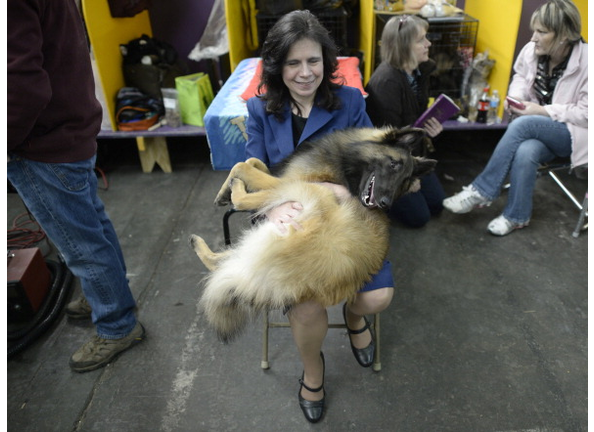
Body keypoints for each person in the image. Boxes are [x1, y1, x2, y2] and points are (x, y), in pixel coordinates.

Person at [244, 10, 394, 423]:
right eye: (293, 62)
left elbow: (375, 164)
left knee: (377, 296)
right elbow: (252, 174)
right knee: (308, 308)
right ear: (277, 67)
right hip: (288, 221)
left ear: (327, 63)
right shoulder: (260, 110)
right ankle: (314, 371)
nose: (305, 72)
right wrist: (273, 205)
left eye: (313, 61)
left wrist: (344, 191)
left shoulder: (348, 102)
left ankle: (354, 314)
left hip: (347, 217)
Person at [7, 0, 145, 372]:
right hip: (69, 126)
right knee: (91, 228)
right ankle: (106, 294)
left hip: (43, 143)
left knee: (80, 245)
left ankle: (117, 325)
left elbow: (22, 87)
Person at [443, 0, 587, 236]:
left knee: (524, 124)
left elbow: (586, 114)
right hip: (536, 131)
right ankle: (517, 216)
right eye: (534, 30)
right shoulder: (533, 51)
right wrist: (517, 99)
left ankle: (482, 190)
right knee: (526, 151)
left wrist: (541, 111)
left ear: (563, 36)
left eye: (541, 32)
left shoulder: (588, 62)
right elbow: (520, 77)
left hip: (573, 134)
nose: (533, 38)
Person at [365, 14, 446, 228]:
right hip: (388, 166)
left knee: (438, 204)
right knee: (419, 218)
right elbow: (384, 144)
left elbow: (413, 121)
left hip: (412, 154)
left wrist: (430, 129)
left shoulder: (419, 71)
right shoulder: (386, 83)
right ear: (403, 46)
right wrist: (406, 179)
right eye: (421, 40)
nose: (428, 43)